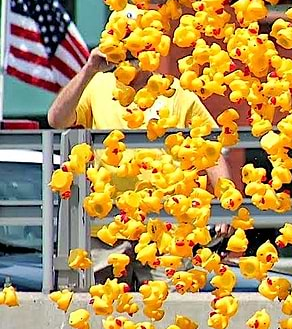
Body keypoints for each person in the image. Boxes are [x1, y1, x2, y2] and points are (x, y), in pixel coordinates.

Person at [47, 48, 231, 285]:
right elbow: (56, 119)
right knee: (104, 313)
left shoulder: (177, 93)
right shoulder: (97, 86)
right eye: (126, 49)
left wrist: (225, 201)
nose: (132, 56)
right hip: (106, 229)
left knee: (168, 309)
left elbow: (209, 148)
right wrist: (89, 68)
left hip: (165, 230)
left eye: (140, 49)